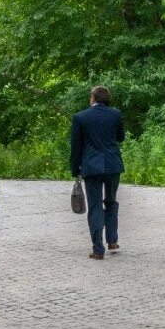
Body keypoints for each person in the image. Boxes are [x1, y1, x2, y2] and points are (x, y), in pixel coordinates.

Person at [69, 85, 124, 260]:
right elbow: (120, 137)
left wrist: (74, 168)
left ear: (93, 98)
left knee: (94, 206)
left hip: (91, 167)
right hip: (113, 165)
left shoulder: (80, 118)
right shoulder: (115, 114)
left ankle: (98, 249)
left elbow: (76, 147)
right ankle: (112, 240)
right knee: (111, 201)